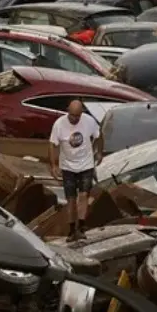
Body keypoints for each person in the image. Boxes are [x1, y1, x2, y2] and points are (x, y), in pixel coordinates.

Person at [49, 99, 102, 241]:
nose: (74, 119)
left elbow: (98, 135)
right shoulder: (59, 124)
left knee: (83, 195)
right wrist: (54, 165)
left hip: (86, 164)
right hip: (68, 166)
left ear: (81, 114)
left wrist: (99, 151)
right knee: (71, 199)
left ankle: (82, 225)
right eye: (71, 115)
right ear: (68, 112)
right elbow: (53, 145)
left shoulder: (89, 121)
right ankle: (72, 230)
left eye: (77, 116)